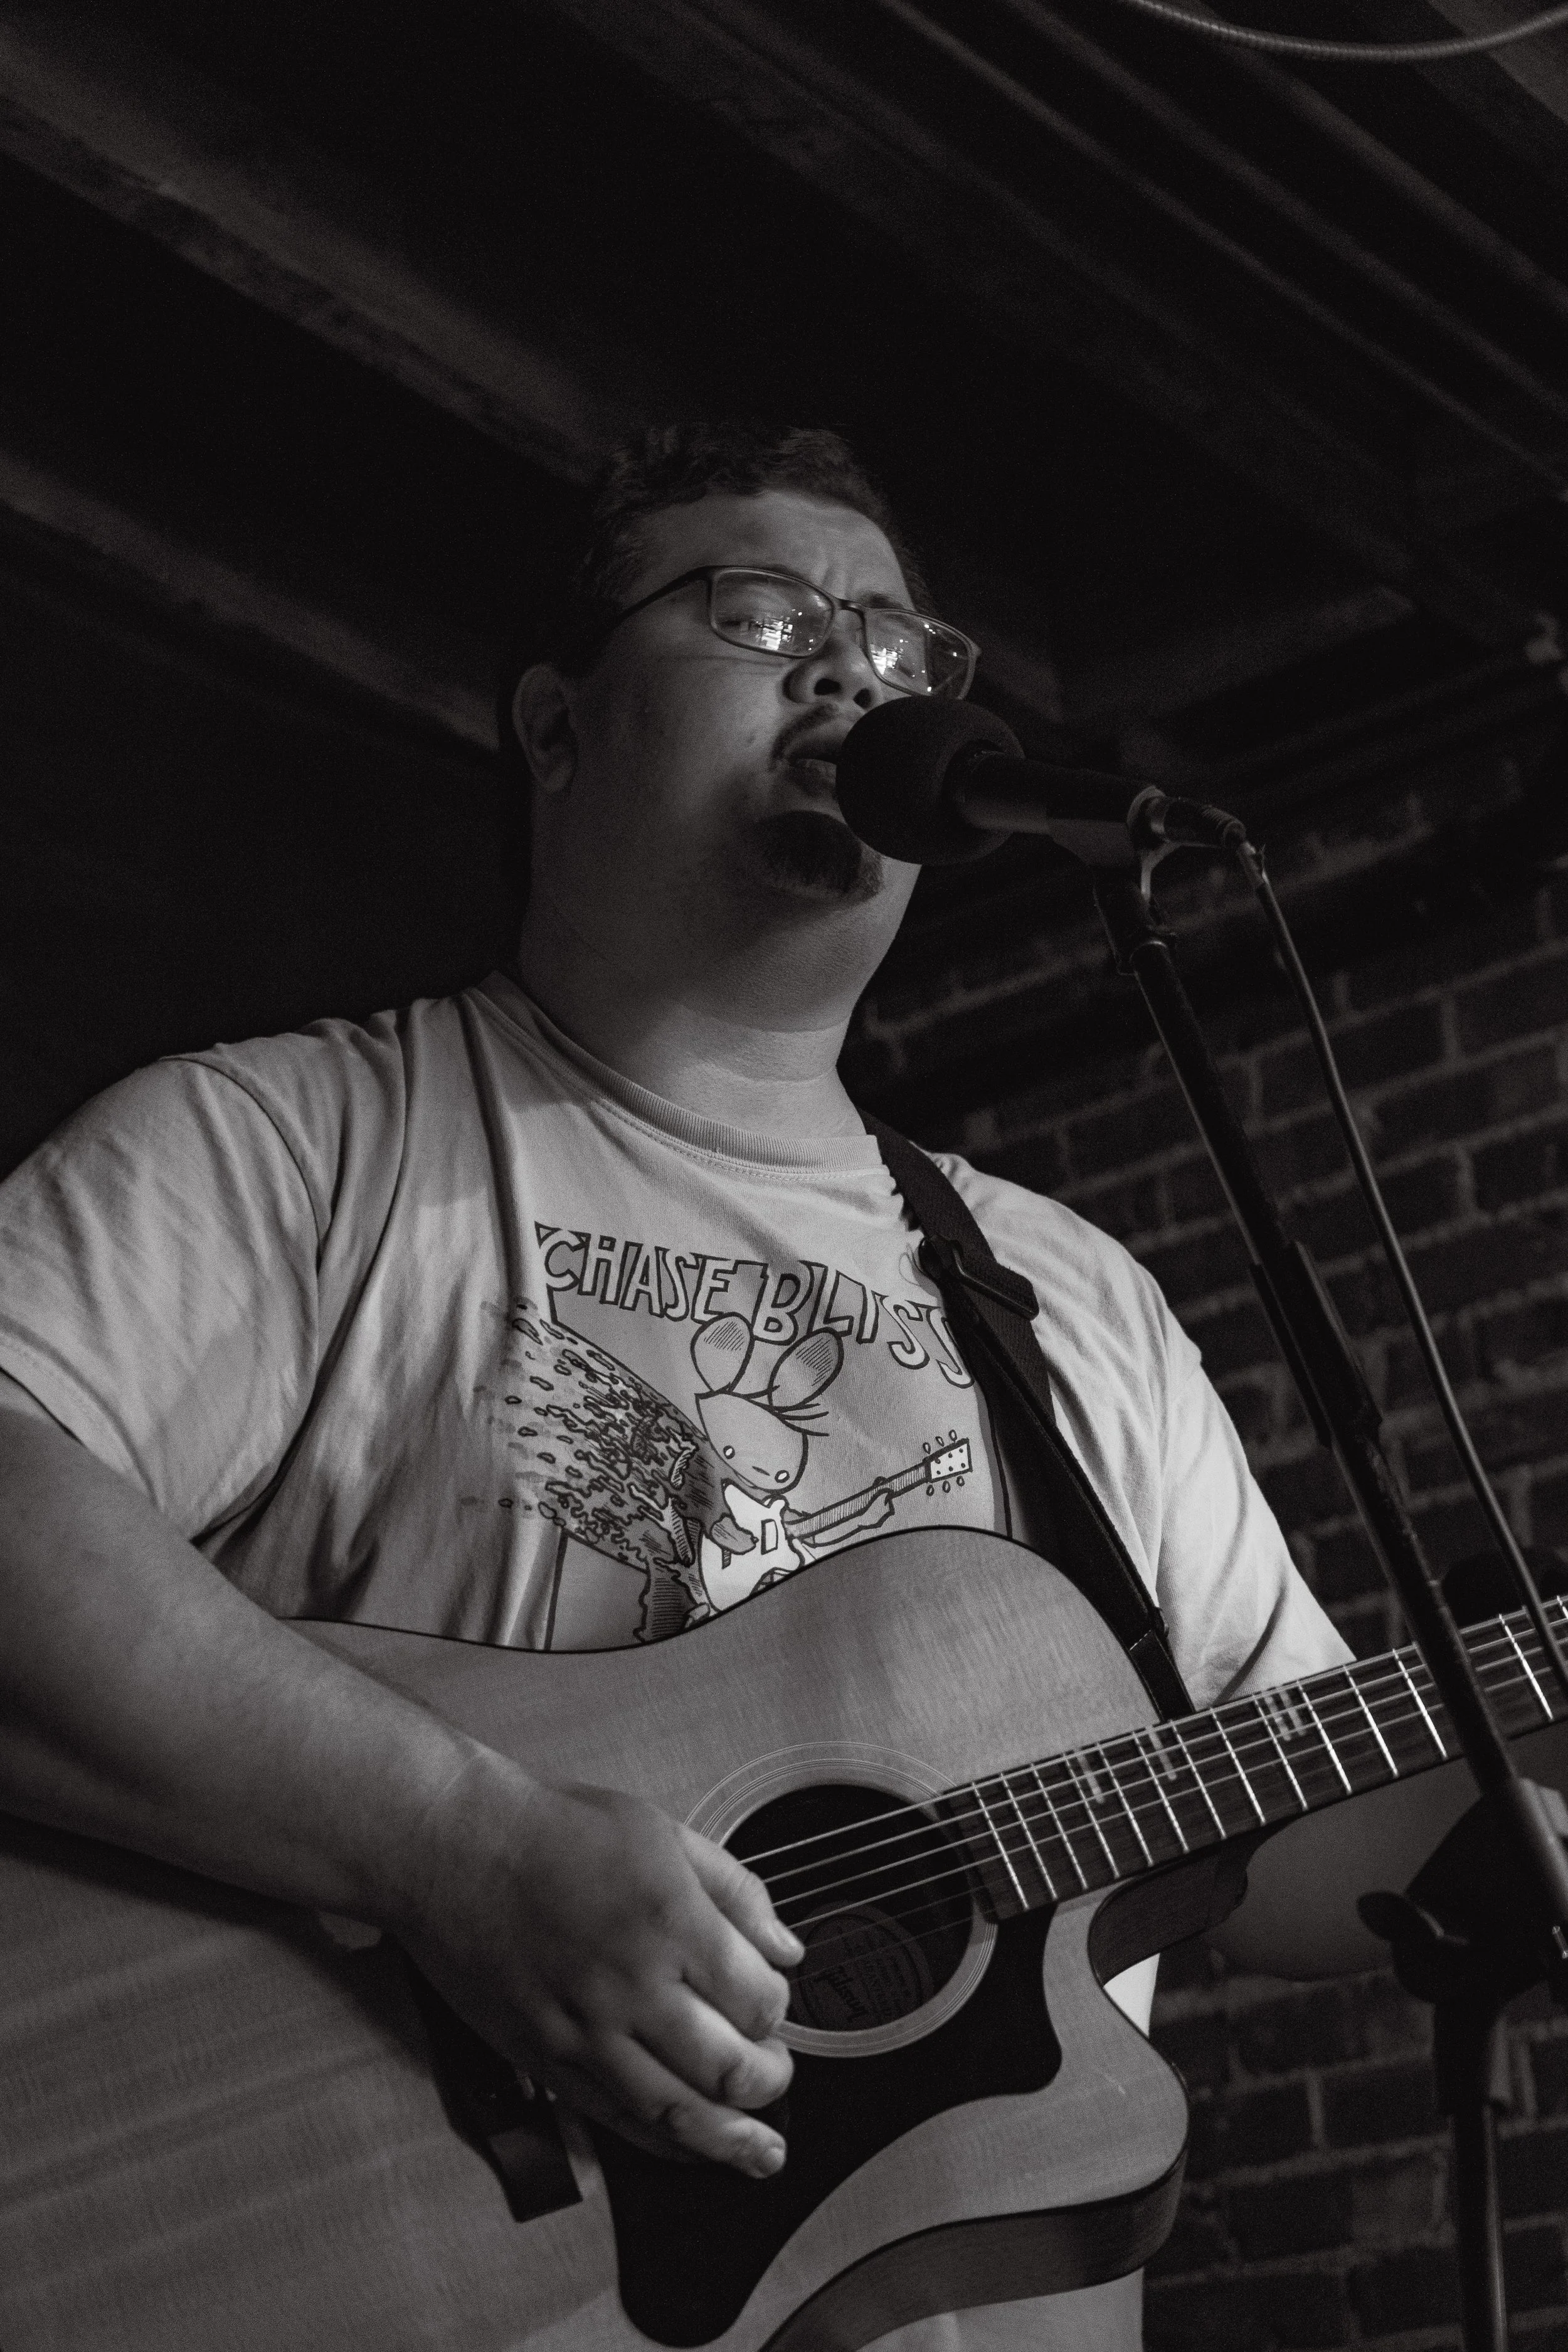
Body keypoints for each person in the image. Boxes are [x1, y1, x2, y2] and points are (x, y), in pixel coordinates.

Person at [0, 424, 1486, 2349]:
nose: (852, 669)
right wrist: (467, 1850)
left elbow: (1279, 1809)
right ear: (557, 725)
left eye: (895, 639)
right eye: (760, 612)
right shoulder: (303, 1142)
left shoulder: (1069, 1297)